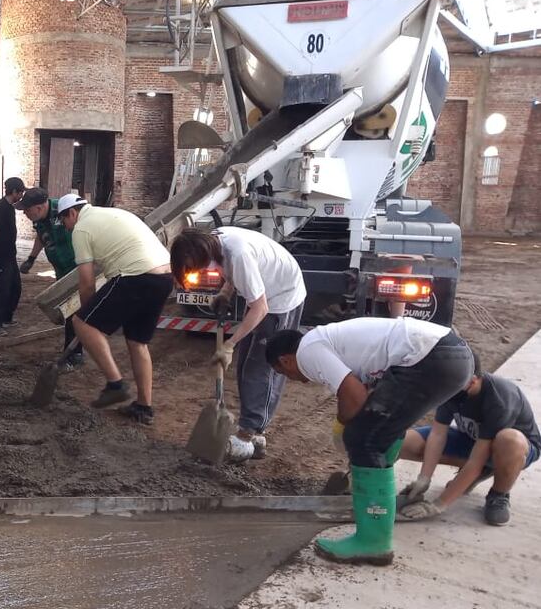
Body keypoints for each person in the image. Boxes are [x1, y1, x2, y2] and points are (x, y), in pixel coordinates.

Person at [265, 317, 474, 566]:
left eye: (283, 373)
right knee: (380, 429)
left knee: (363, 439)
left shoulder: (308, 350)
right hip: (452, 356)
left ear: (285, 360)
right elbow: (368, 394)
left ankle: (373, 541)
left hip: (428, 358)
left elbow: (352, 395)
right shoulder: (332, 341)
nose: (291, 378)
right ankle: (377, 498)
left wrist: (342, 425)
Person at [170, 227, 306, 462]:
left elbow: (260, 307)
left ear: (204, 252)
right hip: (265, 293)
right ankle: (254, 433)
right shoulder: (216, 242)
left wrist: (230, 344)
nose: (195, 270)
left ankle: (249, 435)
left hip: (282, 297)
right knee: (244, 366)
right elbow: (234, 273)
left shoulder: (238, 253)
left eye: (195, 265)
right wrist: (225, 291)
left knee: (261, 368)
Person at [58, 194, 173, 425]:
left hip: (135, 276)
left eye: (64, 222)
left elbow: (87, 283)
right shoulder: (115, 212)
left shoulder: (82, 229)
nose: (65, 228)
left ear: (71, 213)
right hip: (164, 277)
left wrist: (87, 320)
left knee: (81, 323)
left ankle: (115, 384)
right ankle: (144, 407)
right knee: (137, 342)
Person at [397, 353, 540, 526]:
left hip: (511, 450)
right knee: (402, 442)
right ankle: (482, 472)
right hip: (473, 439)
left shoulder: (499, 399)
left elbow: (476, 460)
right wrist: (424, 478)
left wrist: (438, 505)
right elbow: (437, 434)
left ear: (472, 381)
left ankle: (499, 494)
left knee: (509, 440)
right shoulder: (452, 386)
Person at [16, 187, 83, 370]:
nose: (25, 214)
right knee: (69, 310)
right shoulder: (39, 220)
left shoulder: (62, 211)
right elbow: (41, 236)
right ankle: (72, 351)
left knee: (75, 311)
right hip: (61, 270)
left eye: (27, 210)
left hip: (78, 268)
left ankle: (75, 353)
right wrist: (31, 258)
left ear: (39, 207)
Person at [0, 177, 25, 335]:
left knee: (15, 287)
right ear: (14, 191)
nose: (22, 195)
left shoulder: (9, 207)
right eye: (21, 192)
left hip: (10, 254)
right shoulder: (0, 207)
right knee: (1, 289)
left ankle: (7, 318)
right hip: (2, 255)